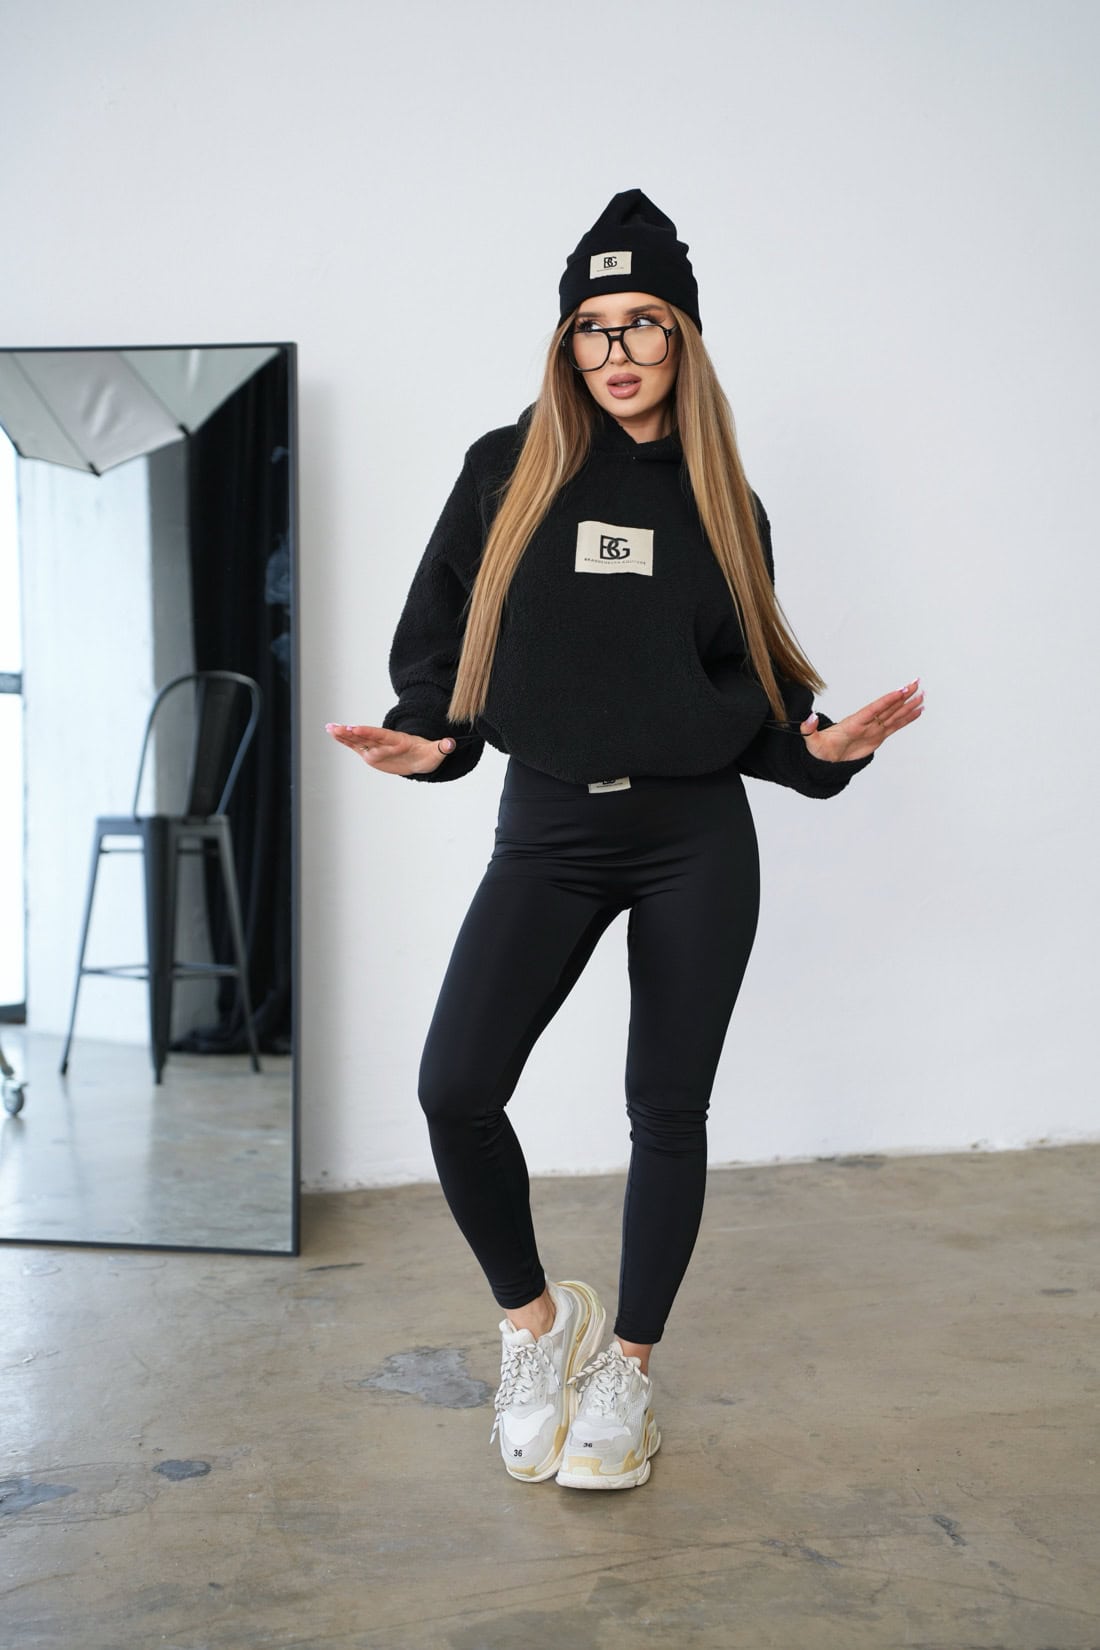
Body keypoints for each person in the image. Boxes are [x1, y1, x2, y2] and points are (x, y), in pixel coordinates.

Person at [327, 188, 923, 1491]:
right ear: (566, 343)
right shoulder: (504, 470)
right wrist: (427, 739)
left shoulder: (725, 503)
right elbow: (442, 651)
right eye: (593, 326)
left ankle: (629, 1372)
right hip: (549, 827)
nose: (617, 349)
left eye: (643, 320)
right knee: (454, 1087)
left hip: (691, 835)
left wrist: (821, 751)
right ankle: (539, 1329)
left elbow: (757, 695)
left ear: (682, 337)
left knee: (665, 1105)